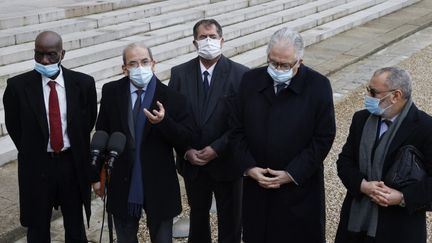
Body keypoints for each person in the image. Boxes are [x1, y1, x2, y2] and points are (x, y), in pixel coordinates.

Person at [230, 27, 336, 243]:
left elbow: (323, 137)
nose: (278, 69)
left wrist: (292, 173)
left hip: (299, 189)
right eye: (273, 62)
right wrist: (249, 167)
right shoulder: (250, 80)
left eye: (285, 65)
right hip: (257, 185)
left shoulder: (318, 86)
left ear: (300, 62)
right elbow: (236, 129)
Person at [3, 31, 97, 242]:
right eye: (39, 54)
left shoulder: (83, 84)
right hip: (37, 166)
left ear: (62, 53)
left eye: (51, 55)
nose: (44, 60)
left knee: (75, 226)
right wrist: (34, 149)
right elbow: (15, 127)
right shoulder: (17, 87)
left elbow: (87, 121)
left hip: (71, 164)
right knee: (37, 228)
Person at [93, 43, 192, 243]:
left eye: (145, 62)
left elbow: (185, 140)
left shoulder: (172, 97)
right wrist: (97, 176)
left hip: (159, 183)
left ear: (153, 64)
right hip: (122, 181)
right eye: (133, 63)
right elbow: (102, 132)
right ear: (124, 68)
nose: (140, 67)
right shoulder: (112, 91)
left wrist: (164, 122)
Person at [169, 19, 249, 243]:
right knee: (197, 219)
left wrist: (217, 148)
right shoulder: (179, 74)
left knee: (231, 222)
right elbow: (173, 120)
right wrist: (185, 151)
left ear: (222, 40)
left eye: (212, 37)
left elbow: (242, 122)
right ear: (194, 43)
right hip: (193, 164)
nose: (208, 41)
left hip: (227, 163)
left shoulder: (241, 75)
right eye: (203, 37)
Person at [335, 67, 432, 243]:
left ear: (396, 96)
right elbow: (345, 161)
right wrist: (363, 185)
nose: (368, 97)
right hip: (355, 226)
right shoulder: (361, 119)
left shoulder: (425, 127)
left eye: (374, 92)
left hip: (399, 228)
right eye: (368, 90)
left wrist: (402, 198)